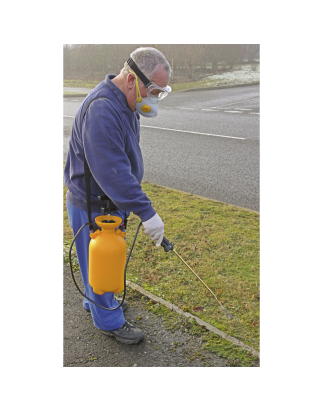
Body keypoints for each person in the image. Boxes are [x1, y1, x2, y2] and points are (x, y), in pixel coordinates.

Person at [64, 47, 172, 344]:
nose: (154, 98)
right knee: (102, 259)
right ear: (131, 80)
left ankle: (96, 301)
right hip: (93, 204)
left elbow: (124, 161)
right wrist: (146, 211)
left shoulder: (125, 104)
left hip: (105, 201)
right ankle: (108, 321)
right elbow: (112, 169)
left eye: (161, 93)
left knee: (97, 264)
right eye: (153, 90)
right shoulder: (103, 109)